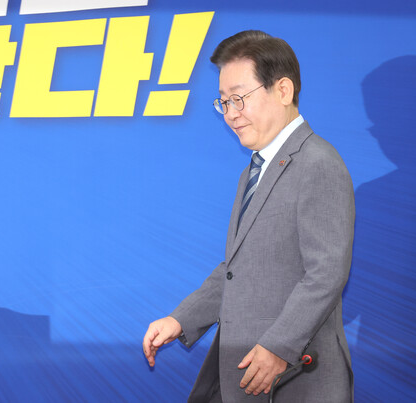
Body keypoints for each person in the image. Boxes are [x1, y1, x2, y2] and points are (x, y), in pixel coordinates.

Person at [143, 30, 355, 402]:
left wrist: (279, 346)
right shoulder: (254, 171)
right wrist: (181, 320)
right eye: (224, 102)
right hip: (246, 374)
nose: (230, 114)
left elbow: (326, 274)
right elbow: (238, 269)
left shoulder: (318, 163)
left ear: (283, 90)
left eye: (239, 98)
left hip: (297, 379)